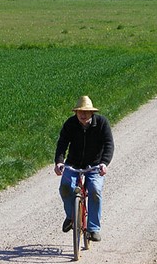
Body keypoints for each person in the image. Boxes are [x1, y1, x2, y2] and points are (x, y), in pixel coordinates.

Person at [54, 95, 114, 242]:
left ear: (92, 113)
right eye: (80, 111)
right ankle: (71, 216)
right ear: (76, 112)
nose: (83, 114)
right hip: (73, 164)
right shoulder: (70, 124)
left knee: (94, 190)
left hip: (95, 165)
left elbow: (109, 145)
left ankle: (93, 229)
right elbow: (62, 144)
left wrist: (104, 163)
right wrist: (59, 162)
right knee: (65, 187)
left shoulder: (102, 123)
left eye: (86, 112)